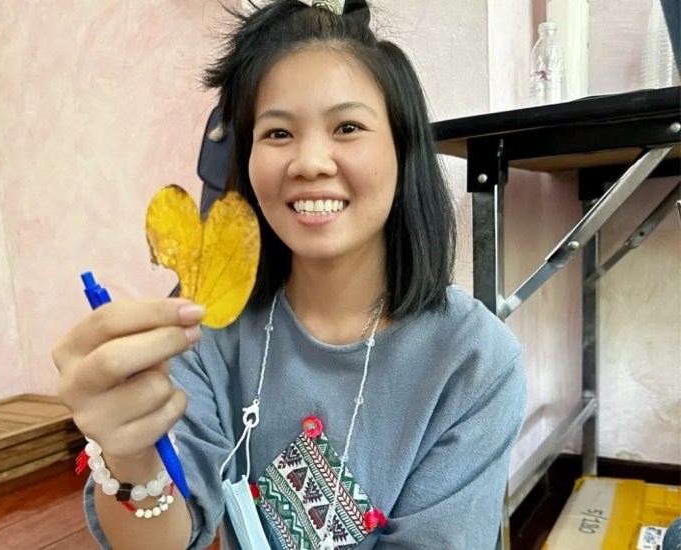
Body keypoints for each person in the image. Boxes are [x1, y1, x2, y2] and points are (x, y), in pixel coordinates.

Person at [52, 0, 527, 548]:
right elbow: (159, 540)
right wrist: (130, 456)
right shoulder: (206, 331)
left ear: (403, 150)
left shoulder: (476, 362)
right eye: (277, 133)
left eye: (347, 127)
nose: (309, 162)